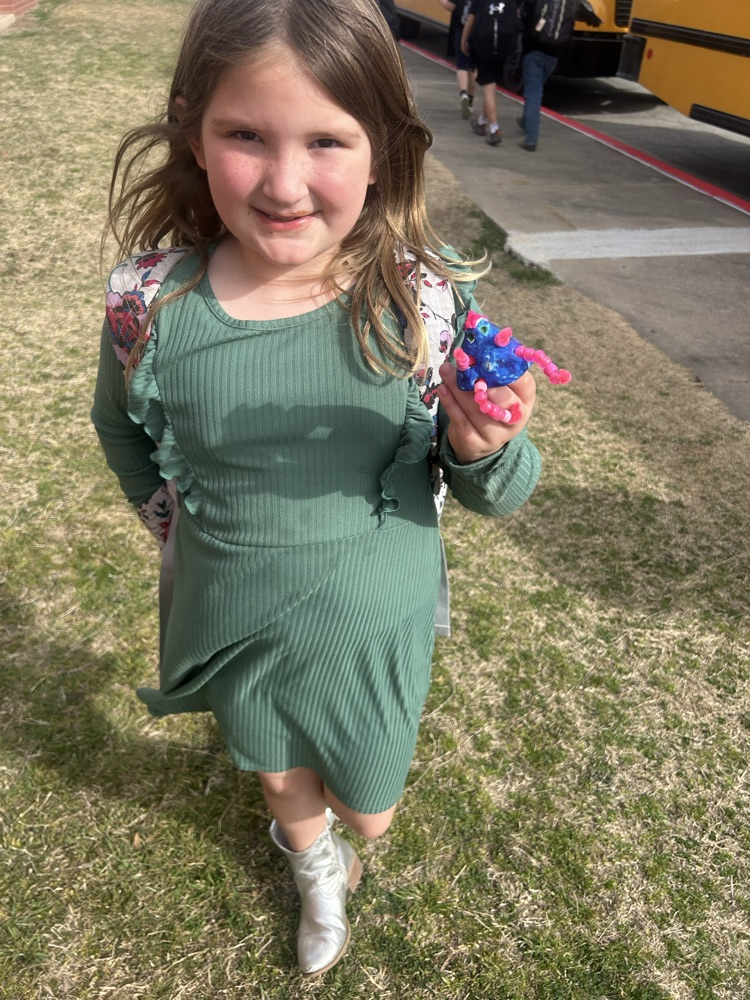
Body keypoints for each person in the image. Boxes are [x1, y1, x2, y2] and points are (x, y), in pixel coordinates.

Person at [91, 0, 542, 980]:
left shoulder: (418, 302)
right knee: (281, 774)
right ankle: (310, 869)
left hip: (375, 623)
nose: (285, 182)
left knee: (370, 807)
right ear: (192, 132)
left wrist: (482, 444)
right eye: (245, 135)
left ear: (382, 149)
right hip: (234, 610)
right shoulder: (150, 305)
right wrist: (169, 525)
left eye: (326, 140)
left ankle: (339, 838)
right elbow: (118, 426)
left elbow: (499, 492)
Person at [517, 0, 578, 150]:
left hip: (534, 51)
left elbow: (524, 13)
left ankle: (530, 140)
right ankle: (525, 121)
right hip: (554, 55)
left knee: (533, 94)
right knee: (534, 91)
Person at [461, 0, 522, 145]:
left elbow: (470, 21)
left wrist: (463, 41)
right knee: (492, 82)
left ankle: (494, 129)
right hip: (504, 46)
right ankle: (482, 120)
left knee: (489, 88)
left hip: (485, 45)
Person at [436, 0, 477, 118]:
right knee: (473, 68)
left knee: (462, 66)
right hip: (478, 31)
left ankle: (463, 94)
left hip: (462, 28)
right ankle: (470, 100)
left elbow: (451, 6)